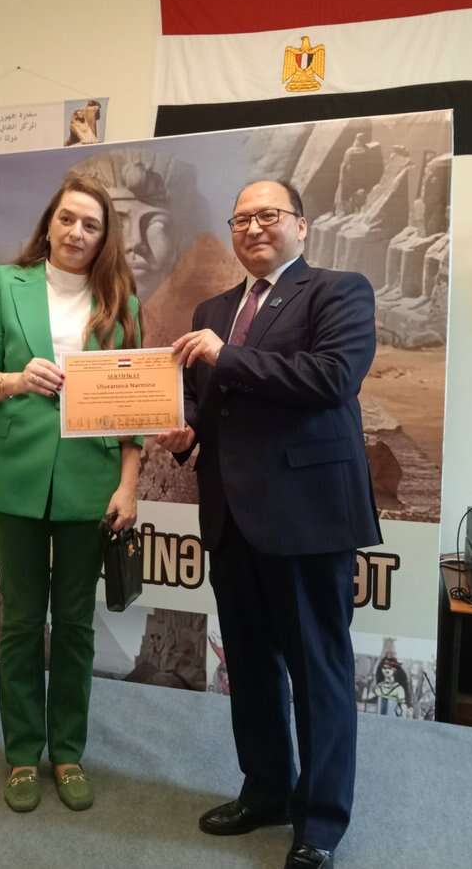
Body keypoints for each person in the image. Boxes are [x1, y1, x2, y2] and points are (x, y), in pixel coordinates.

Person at [157, 180, 382, 869]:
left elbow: (331, 378)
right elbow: (204, 404)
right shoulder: (213, 309)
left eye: (268, 215)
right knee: (251, 667)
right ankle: (264, 791)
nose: (253, 228)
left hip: (307, 515)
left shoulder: (338, 292)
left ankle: (319, 822)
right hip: (231, 516)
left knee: (317, 672)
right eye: (241, 219)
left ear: (301, 226)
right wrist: (185, 433)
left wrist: (224, 356)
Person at [0, 174, 142, 814]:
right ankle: (21, 754)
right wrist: (15, 379)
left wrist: (129, 484)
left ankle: (67, 752)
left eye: (91, 224)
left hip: (90, 482)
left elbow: (134, 406)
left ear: (104, 236)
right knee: (18, 621)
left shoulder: (122, 300)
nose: (76, 232)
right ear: (50, 222)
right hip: (14, 476)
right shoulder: (6, 284)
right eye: (67, 218)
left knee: (72, 624)